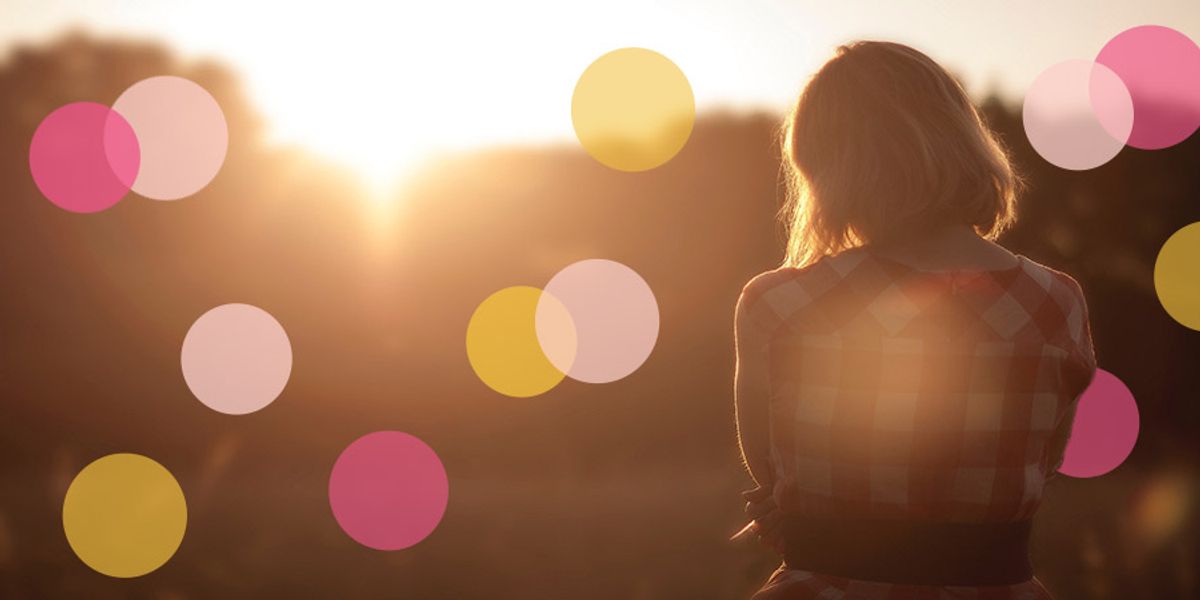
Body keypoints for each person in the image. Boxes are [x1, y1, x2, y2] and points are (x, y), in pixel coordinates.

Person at [733, 41, 1097, 599]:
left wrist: (812, 511)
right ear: (962, 140)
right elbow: (1042, 465)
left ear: (827, 169)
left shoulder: (780, 304)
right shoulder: (1056, 302)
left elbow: (771, 469)